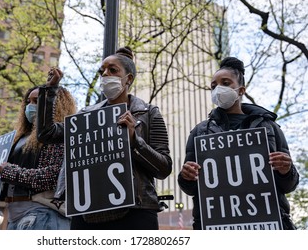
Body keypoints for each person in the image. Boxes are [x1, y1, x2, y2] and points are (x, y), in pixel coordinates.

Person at [37, 46, 172, 230]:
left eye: (113, 70)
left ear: (128, 79)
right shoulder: (85, 117)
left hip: (136, 213)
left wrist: (135, 141)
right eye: (102, 71)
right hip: (88, 214)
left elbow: (164, 167)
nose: (105, 74)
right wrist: (49, 91)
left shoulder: (148, 113)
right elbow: (47, 133)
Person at [177, 57, 300, 230]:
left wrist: (286, 170)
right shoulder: (200, 132)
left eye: (225, 83)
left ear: (241, 90)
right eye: (214, 86)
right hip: (218, 226)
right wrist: (186, 176)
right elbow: (190, 188)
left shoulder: (269, 128)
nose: (218, 89)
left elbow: (290, 185)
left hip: (266, 224)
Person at [0, 80, 77, 230]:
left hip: (42, 214)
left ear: (55, 104)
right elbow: (10, 185)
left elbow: (54, 177)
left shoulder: (59, 135)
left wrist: (10, 172)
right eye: (28, 102)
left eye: (36, 101)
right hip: (14, 218)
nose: (30, 106)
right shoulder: (17, 139)